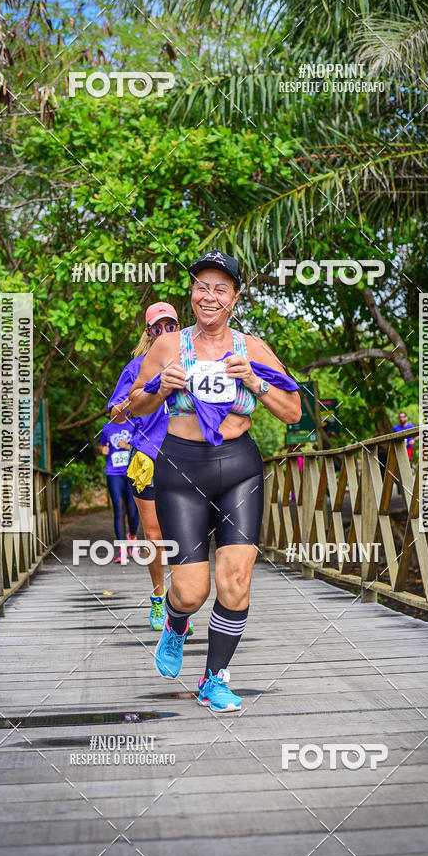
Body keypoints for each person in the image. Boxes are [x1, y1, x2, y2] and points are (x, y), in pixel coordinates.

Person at [129, 250, 301, 713]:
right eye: (202, 286)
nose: (209, 296)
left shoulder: (253, 349)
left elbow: (294, 413)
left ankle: (214, 678)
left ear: (235, 298)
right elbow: (131, 407)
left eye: (220, 289)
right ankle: (176, 623)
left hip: (239, 467)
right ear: (192, 294)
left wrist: (258, 384)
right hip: (181, 469)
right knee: (189, 591)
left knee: (237, 579)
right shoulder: (168, 347)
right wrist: (160, 388)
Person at [108, 302, 192, 634]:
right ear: (149, 333)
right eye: (159, 328)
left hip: (187, 456)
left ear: (179, 328)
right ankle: (159, 598)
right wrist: (136, 398)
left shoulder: (193, 361)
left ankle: (182, 605)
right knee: (155, 534)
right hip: (148, 457)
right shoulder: (136, 367)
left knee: (187, 534)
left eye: (171, 326)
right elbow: (116, 414)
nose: (166, 332)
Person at [99, 420, 139, 562]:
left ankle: (133, 538)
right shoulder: (108, 427)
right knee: (119, 510)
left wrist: (127, 446)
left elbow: (143, 446)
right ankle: (122, 550)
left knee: (133, 512)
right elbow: (102, 447)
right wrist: (103, 450)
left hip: (132, 472)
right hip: (114, 473)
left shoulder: (135, 423)